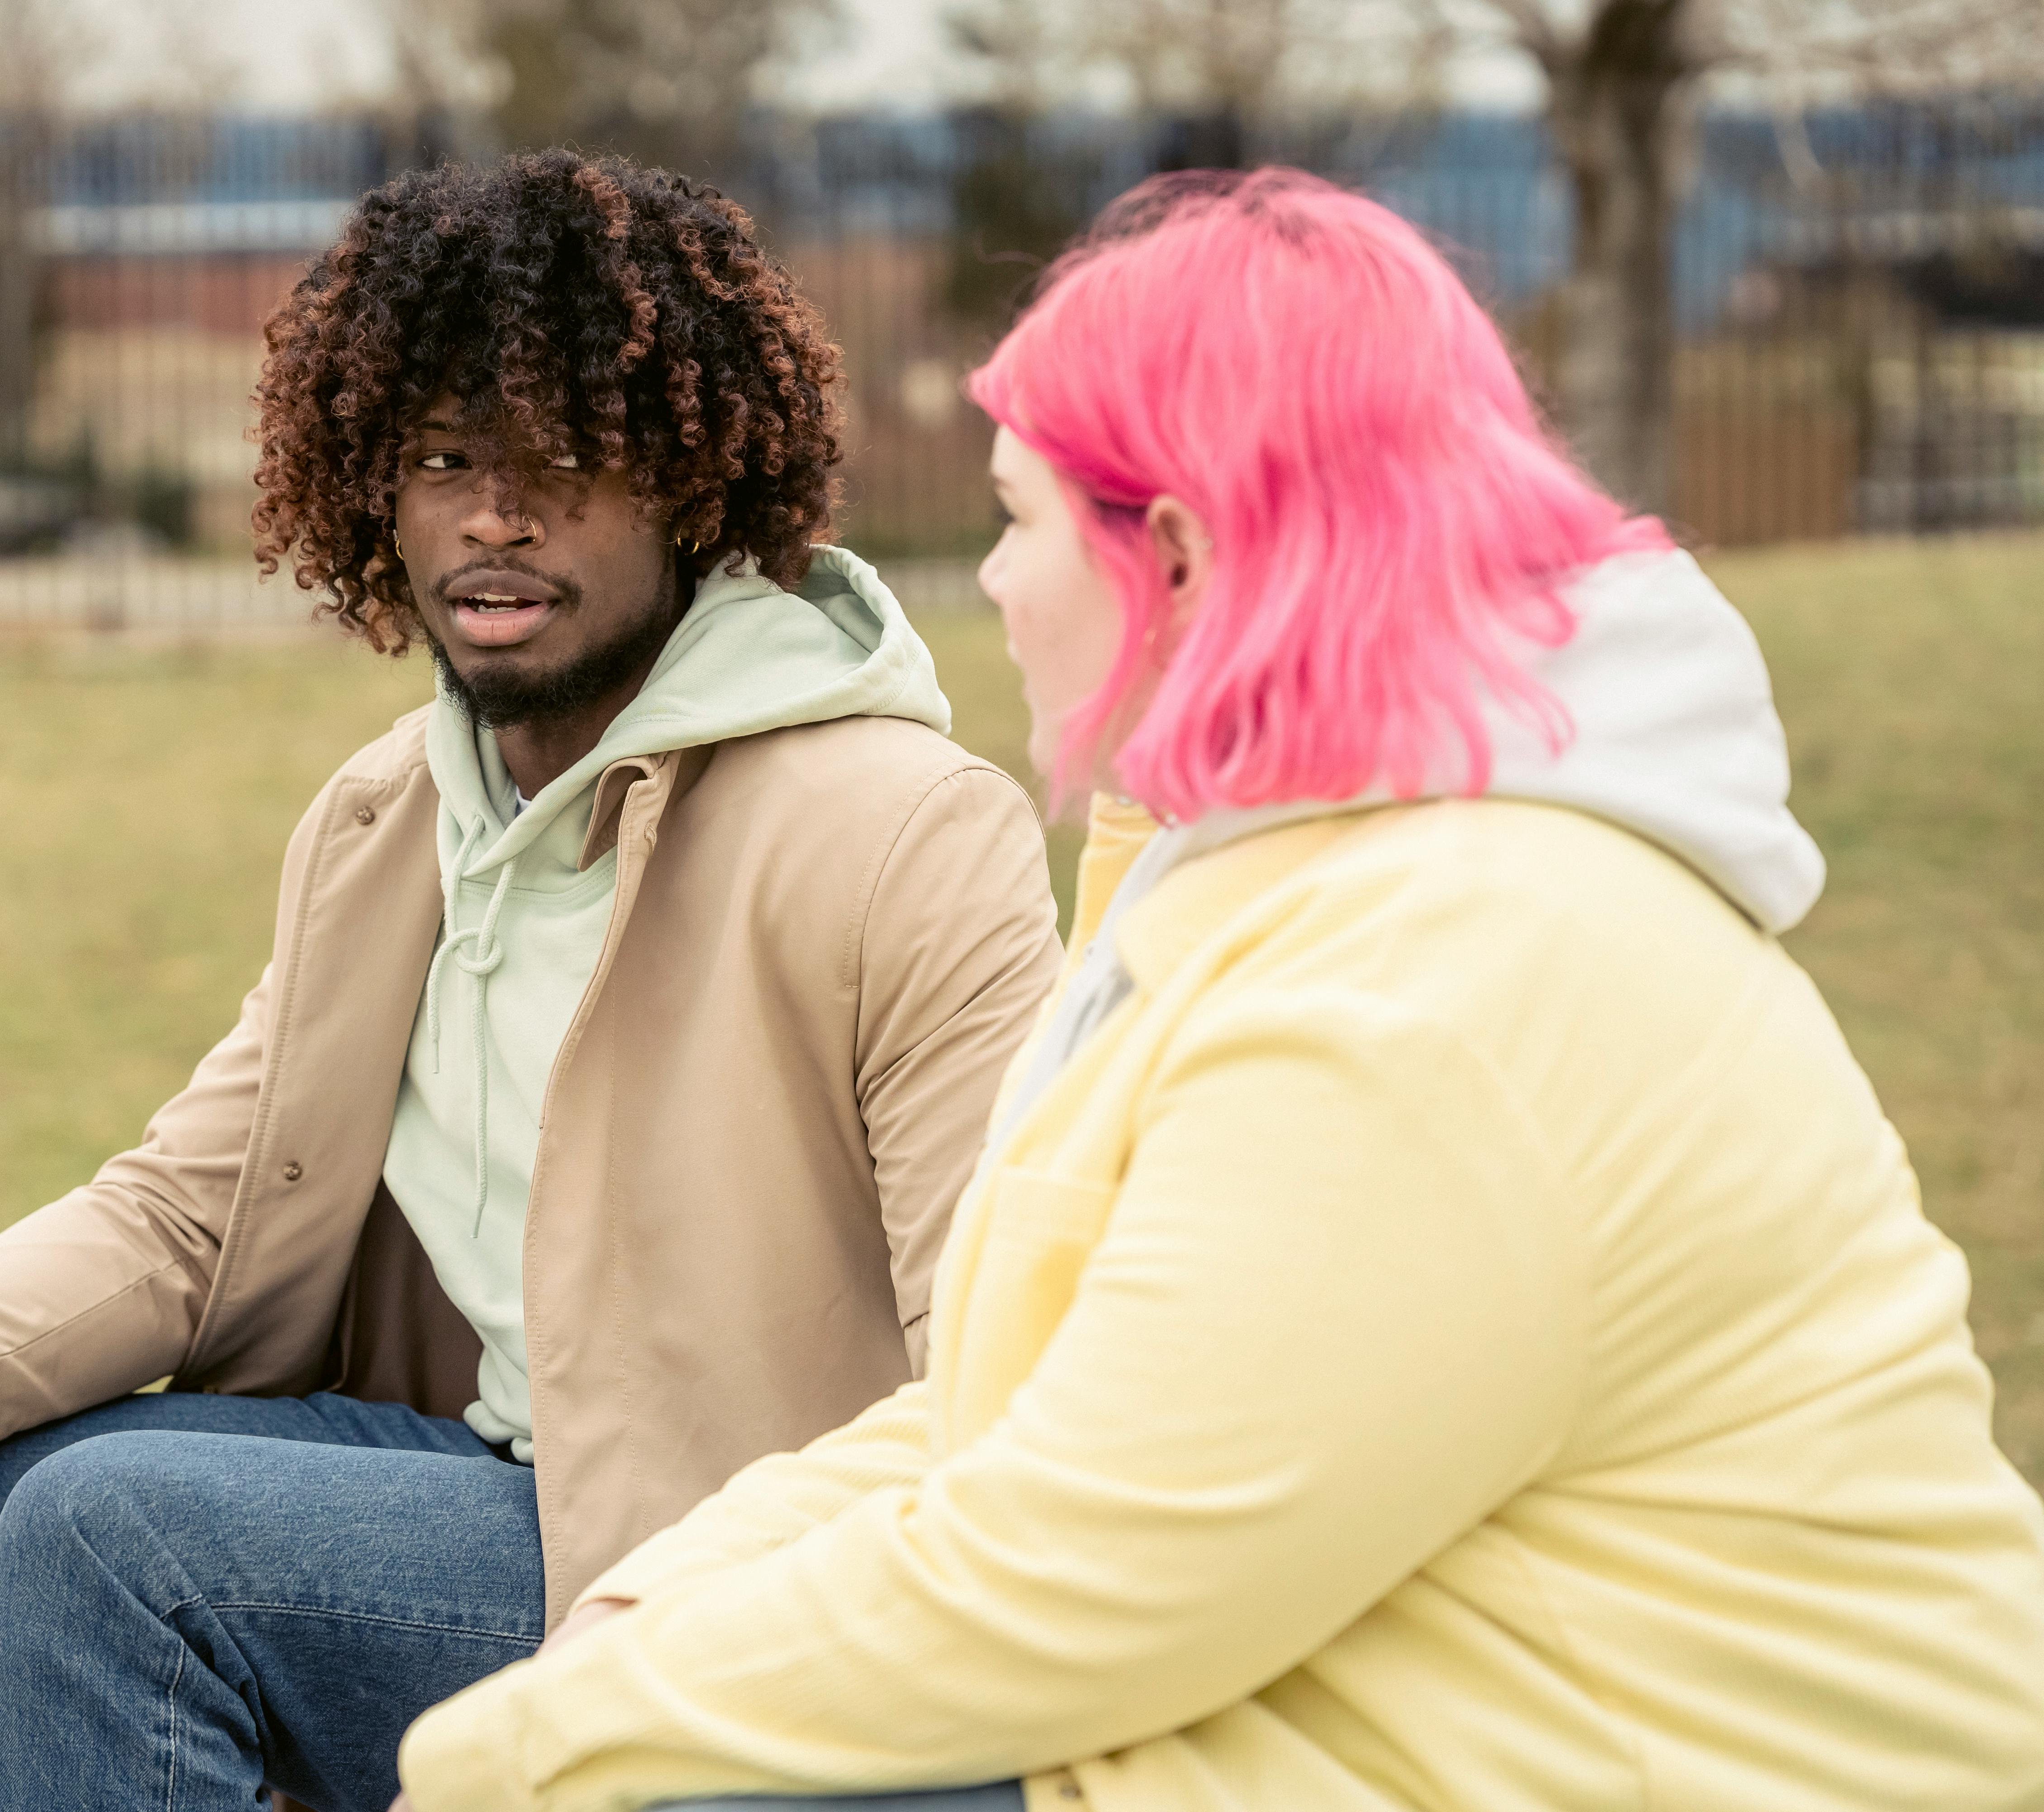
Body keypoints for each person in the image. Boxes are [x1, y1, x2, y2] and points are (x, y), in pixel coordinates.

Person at [391, 169, 2044, 1812]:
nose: (992, 584)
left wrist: (522, 1755)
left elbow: (1068, 1580)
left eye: (1018, 521)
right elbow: (1010, 1424)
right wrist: (650, 1597)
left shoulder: (1433, 981)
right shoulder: (1278, 889)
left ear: (1169, 558)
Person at [0, 151, 1063, 1812]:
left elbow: (1005, 1363)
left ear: (696, 485)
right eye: (444, 459)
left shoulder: (901, 833)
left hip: (729, 1569)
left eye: (564, 461)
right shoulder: (393, 818)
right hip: (473, 1492)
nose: (494, 517)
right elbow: (184, 1216)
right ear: (368, 484)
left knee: (120, 1538)